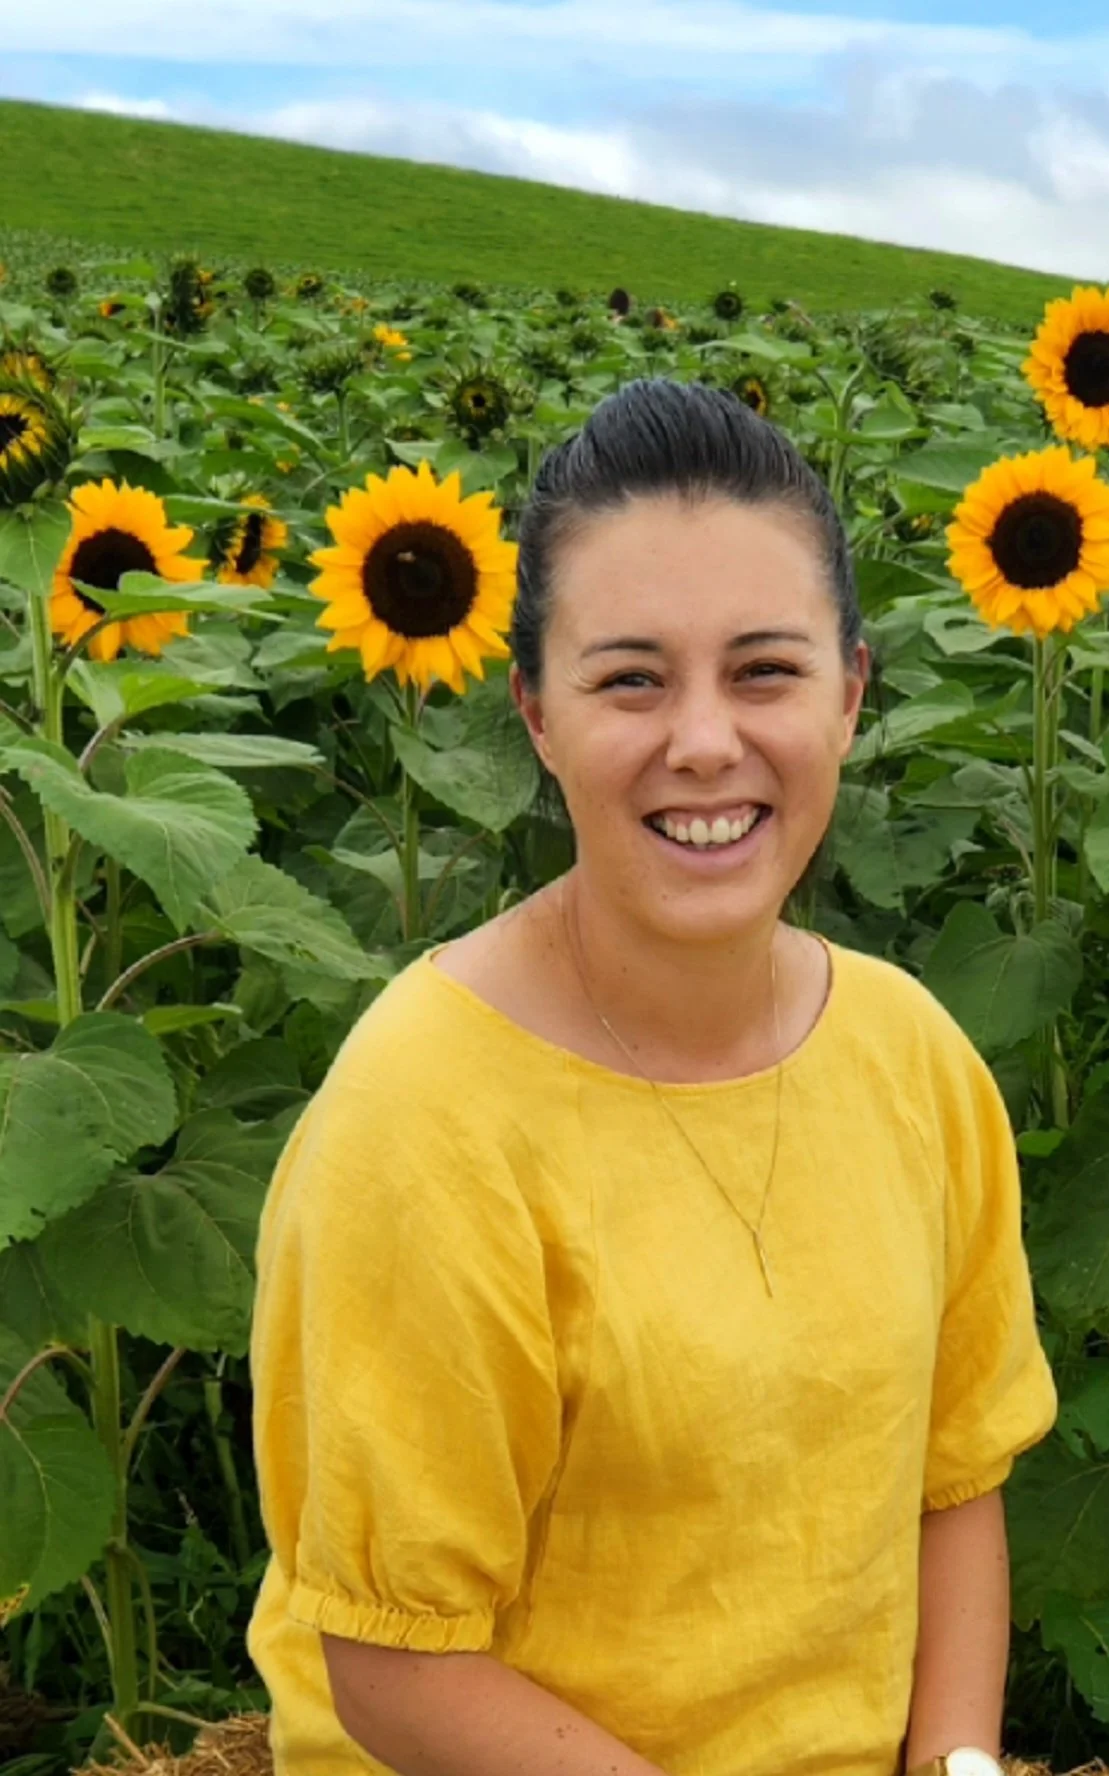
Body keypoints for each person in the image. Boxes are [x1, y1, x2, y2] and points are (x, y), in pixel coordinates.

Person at [245, 377, 1059, 1776]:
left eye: (765, 670)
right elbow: (393, 1667)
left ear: (852, 696)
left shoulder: (911, 1054)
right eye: (631, 678)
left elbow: (955, 1477)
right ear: (539, 716)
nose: (703, 741)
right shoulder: (427, 1118)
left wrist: (964, 1763)